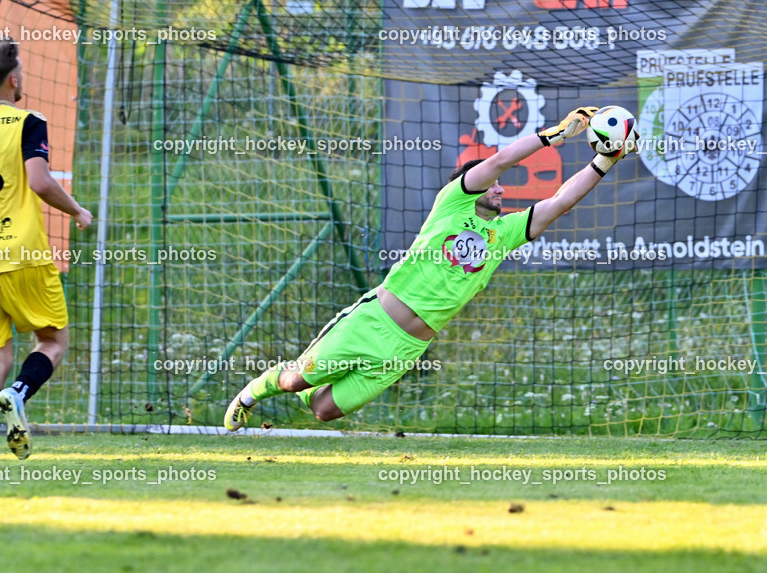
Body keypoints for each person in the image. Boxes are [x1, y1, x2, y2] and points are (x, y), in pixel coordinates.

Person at [225, 106, 637, 429]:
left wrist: (606, 160)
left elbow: (560, 202)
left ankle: (305, 377)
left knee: (323, 411)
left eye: (500, 187)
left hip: (405, 349)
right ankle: (253, 392)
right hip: (372, 322)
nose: (501, 188)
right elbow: (500, 161)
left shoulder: (505, 233)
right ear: (471, 184)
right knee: (296, 381)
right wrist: (553, 136)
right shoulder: (452, 203)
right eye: (494, 186)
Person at [0, 37, 93, 470]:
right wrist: (78, 210)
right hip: (22, 254)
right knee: (52, 340)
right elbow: (40, 182)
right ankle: (20, 394)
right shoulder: (28, 121)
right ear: (14, 78)